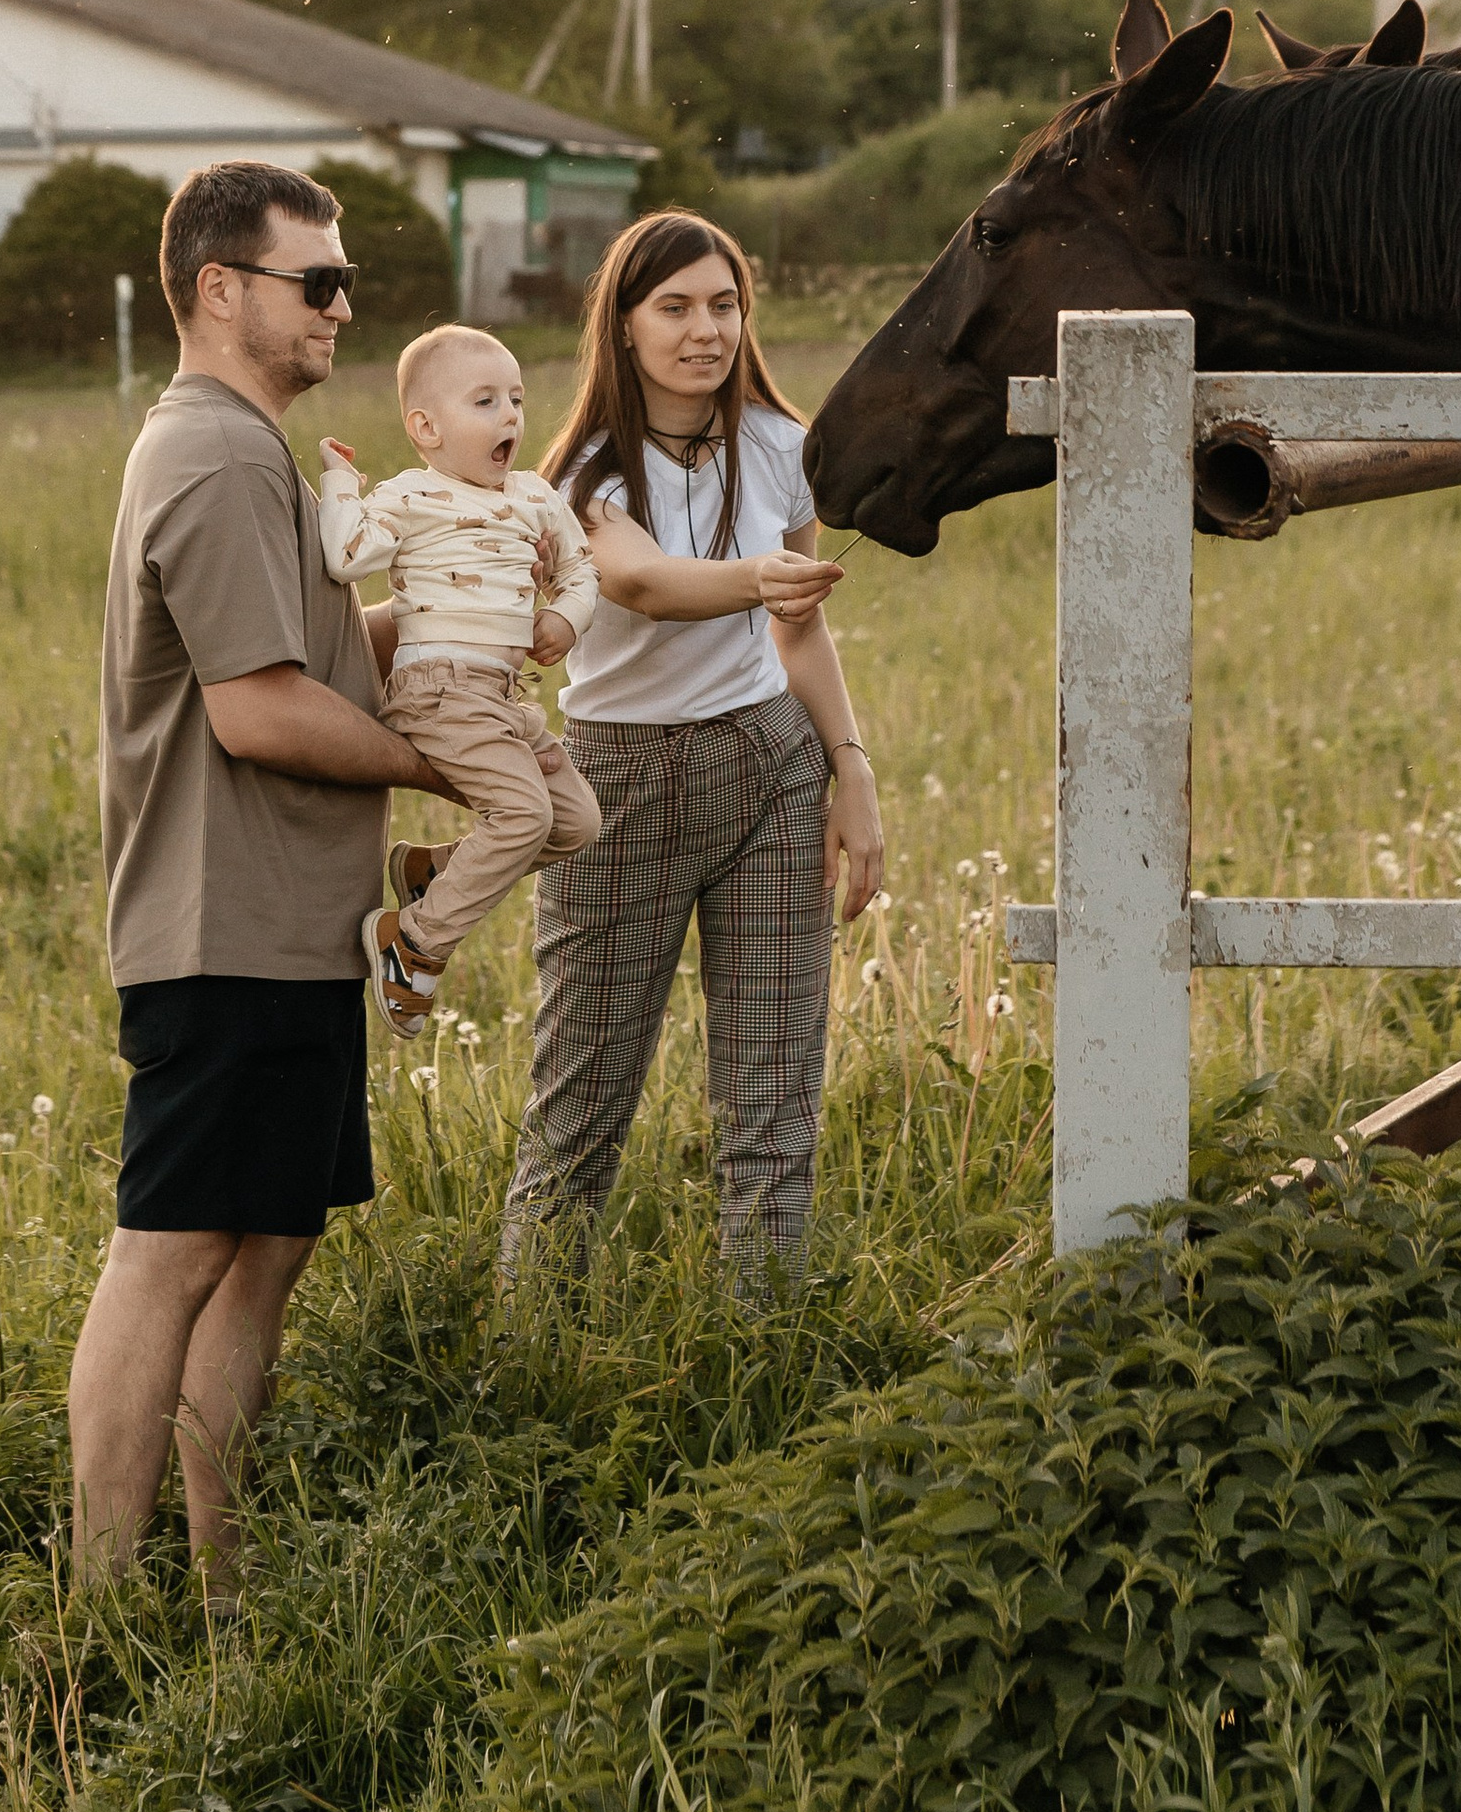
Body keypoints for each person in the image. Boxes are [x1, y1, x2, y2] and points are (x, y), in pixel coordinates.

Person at [65, 157, 461, 1594]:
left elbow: (315, 654)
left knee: (266, 1249)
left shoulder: (249, 452)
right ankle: (104, 1597)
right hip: (218, 926)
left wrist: (468, 612)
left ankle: (223, 1572)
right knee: (172, 1252)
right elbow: (260, 707)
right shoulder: (216, 453)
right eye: (320, 281)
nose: (346, 307)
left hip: (289, 927)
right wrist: (444, 771)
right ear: (221, 290)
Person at [502, 209, 884, 1276]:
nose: (702, 330)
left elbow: (799, 628)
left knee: (772, 1104)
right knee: (580, 1108)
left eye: (723, 305)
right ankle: (529, 1359)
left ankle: (767, 1358)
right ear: (623, 326)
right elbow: (638, 582)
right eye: (673, 307)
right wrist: (761, 577)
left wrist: (851, 775)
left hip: (770, 771)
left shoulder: (781, 445)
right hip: (617, 788)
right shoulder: (576, 477)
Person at [317, 325, 603, 1031]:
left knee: (577, 823)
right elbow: (348, 557)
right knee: (525, 815)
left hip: (504, 698)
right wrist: (338, 487)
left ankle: (435, 875)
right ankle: (413, 941)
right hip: (438, 689)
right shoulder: (412, 494)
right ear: (427, 428)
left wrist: (565, 620)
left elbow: (581, 569)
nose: (510, 414)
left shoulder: (535, 496)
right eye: (485, 401)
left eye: (515, 398)